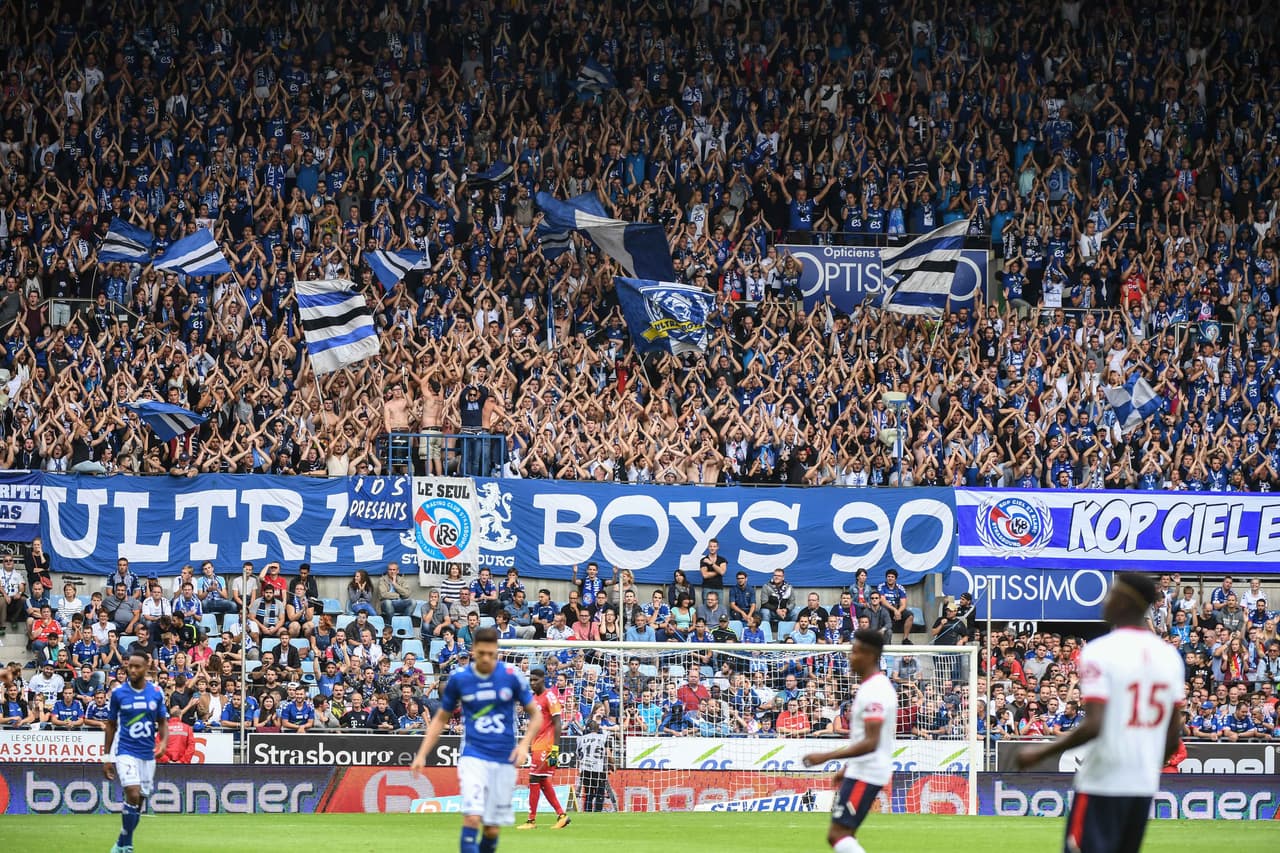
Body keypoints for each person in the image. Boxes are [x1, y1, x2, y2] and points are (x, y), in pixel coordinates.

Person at [1015, 573, 1185, 853]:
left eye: (1112, 594)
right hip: (1142, 786)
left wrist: (1040, 752)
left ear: (1126, 602)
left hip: (1103, 782)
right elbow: (1172, 733)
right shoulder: (1169, 657)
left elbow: (1095, 723)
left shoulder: (1100, 651)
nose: (1104, 601)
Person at [411, 627, 542, 853]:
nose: (486, 659)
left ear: (497, 652)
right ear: (473, 651)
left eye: (491, 654)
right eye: (481, 653)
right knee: (472, 817)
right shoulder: (460, 678)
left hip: (504, 758)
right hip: (473, 755)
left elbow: (536, 715)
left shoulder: (511, 676)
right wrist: (422, 754)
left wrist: (523, 745)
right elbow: (441, 718)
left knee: (491, 828)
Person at [802, 629, 896, 853]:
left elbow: (871, 742)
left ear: (870, 655)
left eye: (855, 652)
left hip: (867, 772)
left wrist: (825, 757)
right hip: (860, 769)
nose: (850, 657)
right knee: (846, 834)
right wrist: (846, 768)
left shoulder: (876, 690)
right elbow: (863, 737)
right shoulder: (869, 686)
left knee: (837, 835)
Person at [104, 650, 168, 853]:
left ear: (146, 667)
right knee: (132, 793)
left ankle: (121, 842)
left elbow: (163, 721)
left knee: (138, 803)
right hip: (126, 750)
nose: (132, 670)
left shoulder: (156, 692)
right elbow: (110, 725)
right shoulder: (118, 694)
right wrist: (107, 757)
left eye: (136, 666)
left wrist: (163, 742)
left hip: (147, 755)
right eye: (129, 666)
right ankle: (128, 846)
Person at [516, 668, 571, 830]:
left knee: (534, 778)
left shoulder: (550, 696)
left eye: (536, 680)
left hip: (546, 745)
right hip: (537, 745)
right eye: (531, 680)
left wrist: (555, 748)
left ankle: (531, 820)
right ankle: (562, 815)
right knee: (543, 780)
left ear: (543, 680)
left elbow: (558, 723)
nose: (533, 683)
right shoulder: (534, 698)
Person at [577, 719, 611, 812]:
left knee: (588, 793)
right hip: (599, 768)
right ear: (598, 729)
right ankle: (598, 812)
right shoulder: (603, 737)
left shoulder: (581, 739)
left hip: (585, 768)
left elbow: (578, 754)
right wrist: (612, 764)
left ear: (588, 729)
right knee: (600, 792)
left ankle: (587, 811)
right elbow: (608, 754)